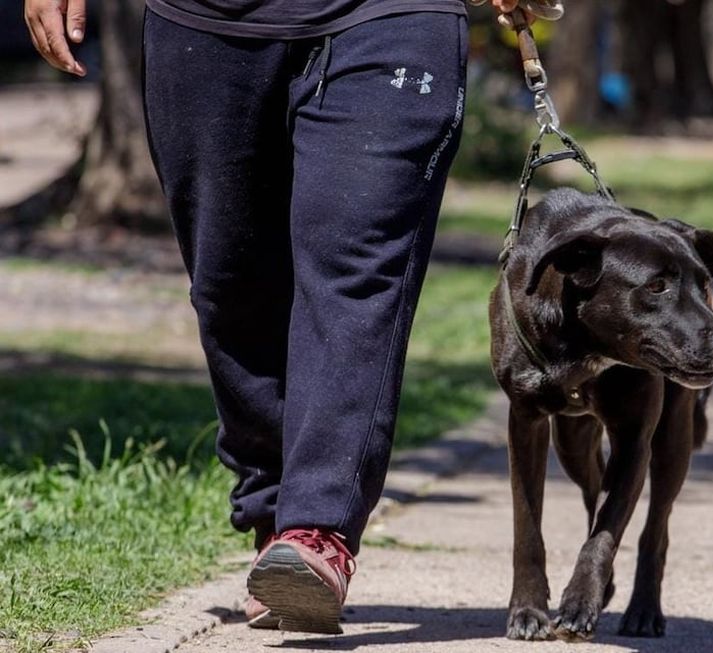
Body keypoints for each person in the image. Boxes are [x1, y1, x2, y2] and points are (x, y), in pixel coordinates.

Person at [23, 0, 538, 635]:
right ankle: (275, 518)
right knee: (230, 285)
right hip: (204, 23)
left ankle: (316, 530)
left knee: (357, 272)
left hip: (395, 17)